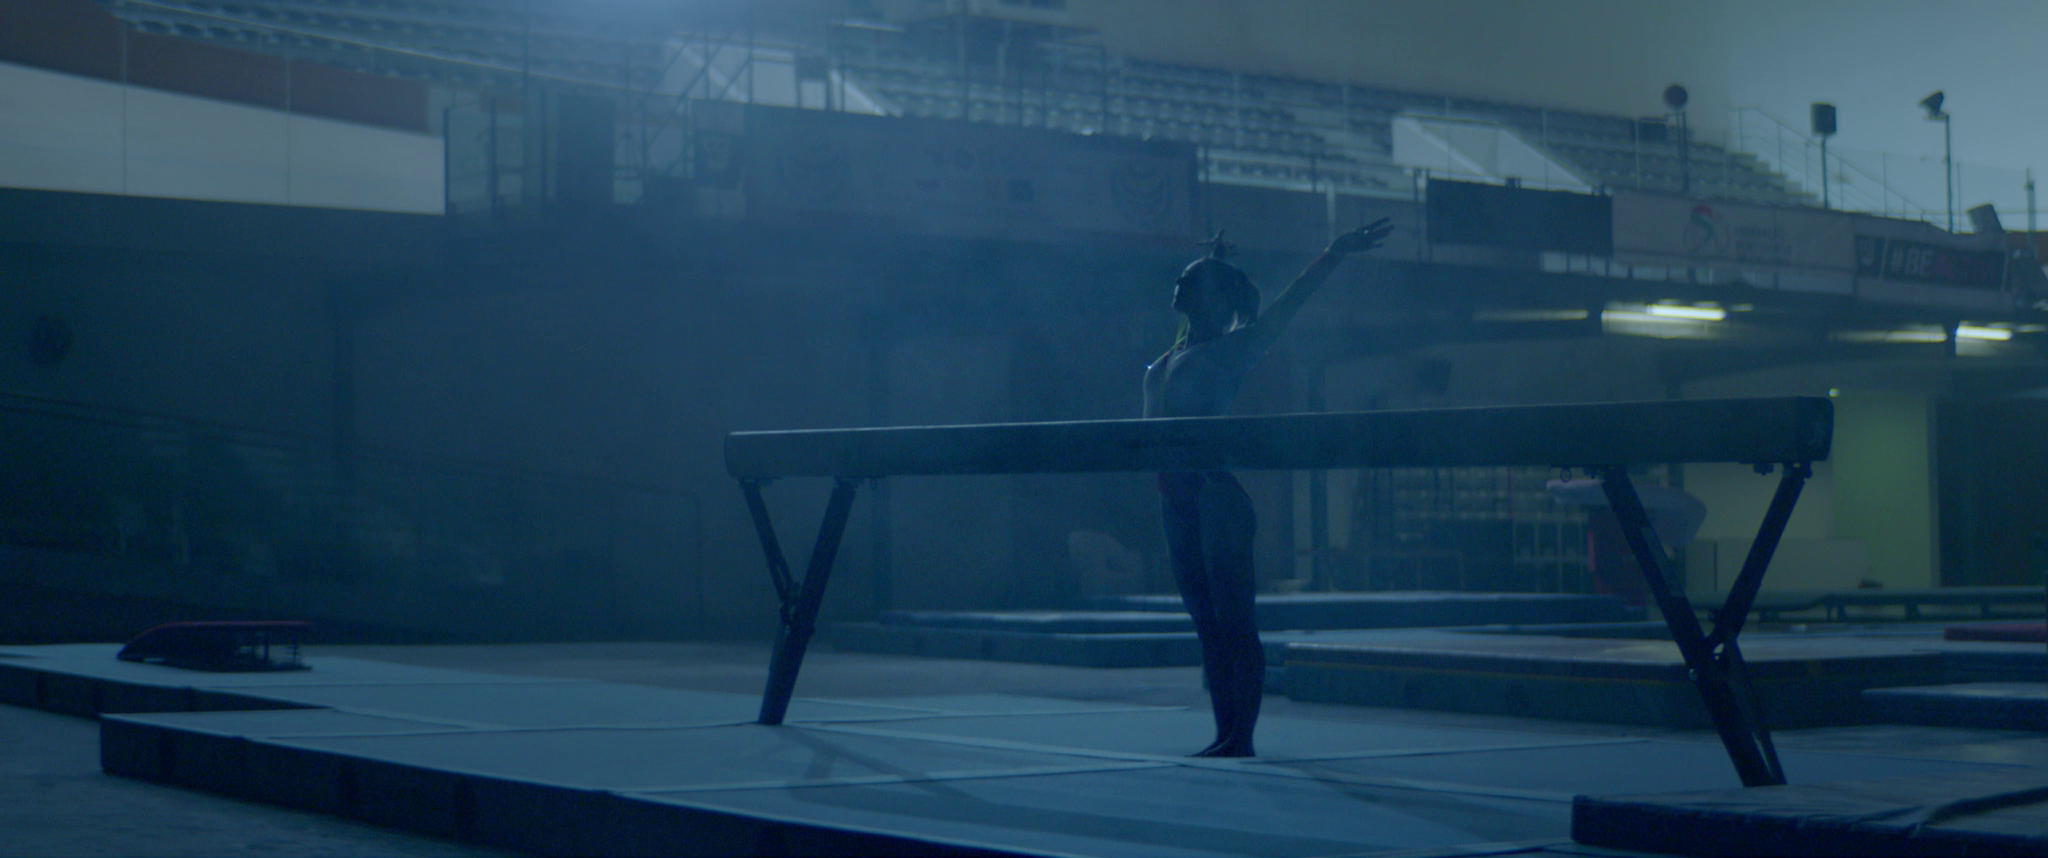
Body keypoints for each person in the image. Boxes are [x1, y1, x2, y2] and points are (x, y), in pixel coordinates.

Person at [1146, 219, 1393, 757]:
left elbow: (1288, 307)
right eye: (1182, 277)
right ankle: (1223, 733)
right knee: (1206, 625)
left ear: (1213, 299)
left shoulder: (1231, 353)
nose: (1179, 283)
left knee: (1234, 622)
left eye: (1191, 279)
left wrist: (1333, 253)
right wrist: (1214, 261)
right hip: (1175, 500)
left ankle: (1242, 737)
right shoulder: (1169, 358)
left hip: (1214, 498)